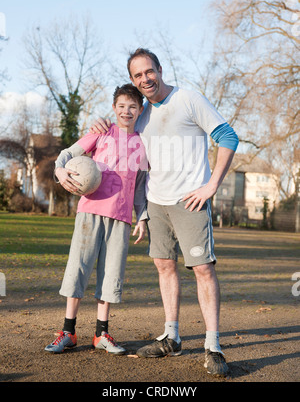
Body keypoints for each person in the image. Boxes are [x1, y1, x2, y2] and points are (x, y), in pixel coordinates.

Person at [90, 48, 239, 376]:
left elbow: (227, 136)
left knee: (202, 270)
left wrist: (211, 185)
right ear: (132, 80)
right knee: (164, 266)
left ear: (160, 69)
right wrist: (98, 123)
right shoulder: (141, 115)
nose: (145, 79)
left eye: (148, 71)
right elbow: (129, 156)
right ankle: (171, 336)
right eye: (137, 75)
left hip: (190, 201)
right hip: (156, 203)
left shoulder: (188, 99)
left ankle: (212, 345)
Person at [45, 83, 148, 355]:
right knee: (78, 267)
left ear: (140, 110)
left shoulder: (141, 145)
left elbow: (139, 188)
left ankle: (101, 334)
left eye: (133, 107)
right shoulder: (100, 134)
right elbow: (67, 154)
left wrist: (143, 217)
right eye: (122, 106)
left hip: (122, 217)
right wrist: (60, 170)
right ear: (114, 108)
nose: (127, 111)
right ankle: (68, 331)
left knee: (111, 275)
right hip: (90, 211)